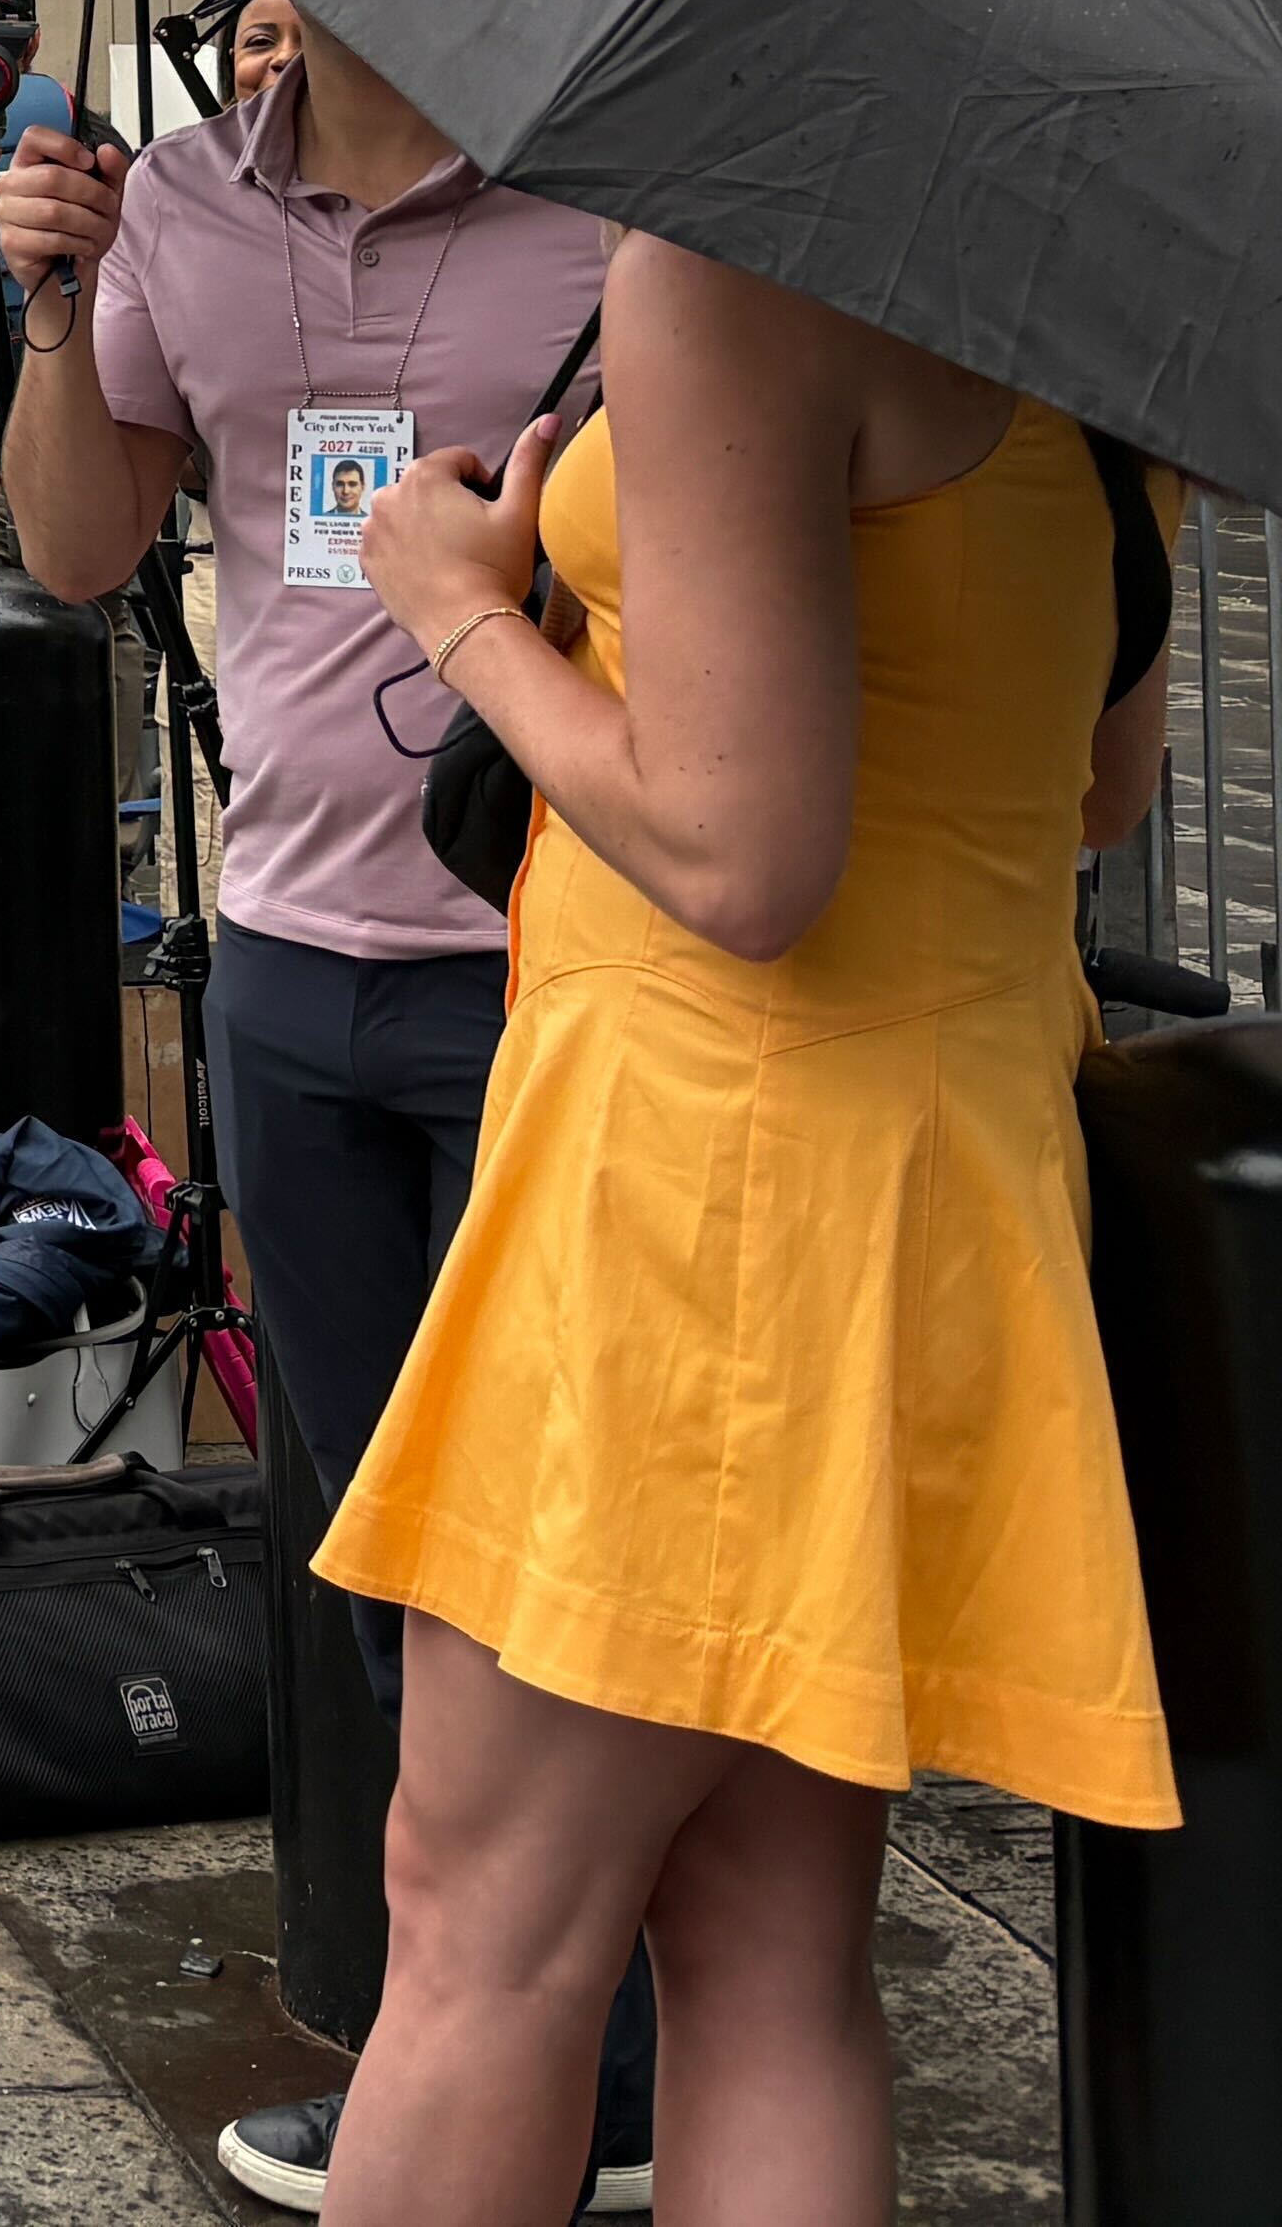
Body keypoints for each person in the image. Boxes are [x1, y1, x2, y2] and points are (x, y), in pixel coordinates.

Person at [324, 238, 1177, 2223]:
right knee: (771, 1954)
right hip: (939, 1166)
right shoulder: (1087, 291)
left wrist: (461, 614)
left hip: (703, 1181)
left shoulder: (733, 268)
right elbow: (1103, 786)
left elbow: (745, 852)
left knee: (482, 1934)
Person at [0, 0, 629, 2209]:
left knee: (562, 1548)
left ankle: (576, 2062)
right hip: (288, 962)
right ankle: (475, 2043)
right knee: (371, 1535)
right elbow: (80, 550)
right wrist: (55, 304)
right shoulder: (178, 200)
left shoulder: (615, 196)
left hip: (560, 962)